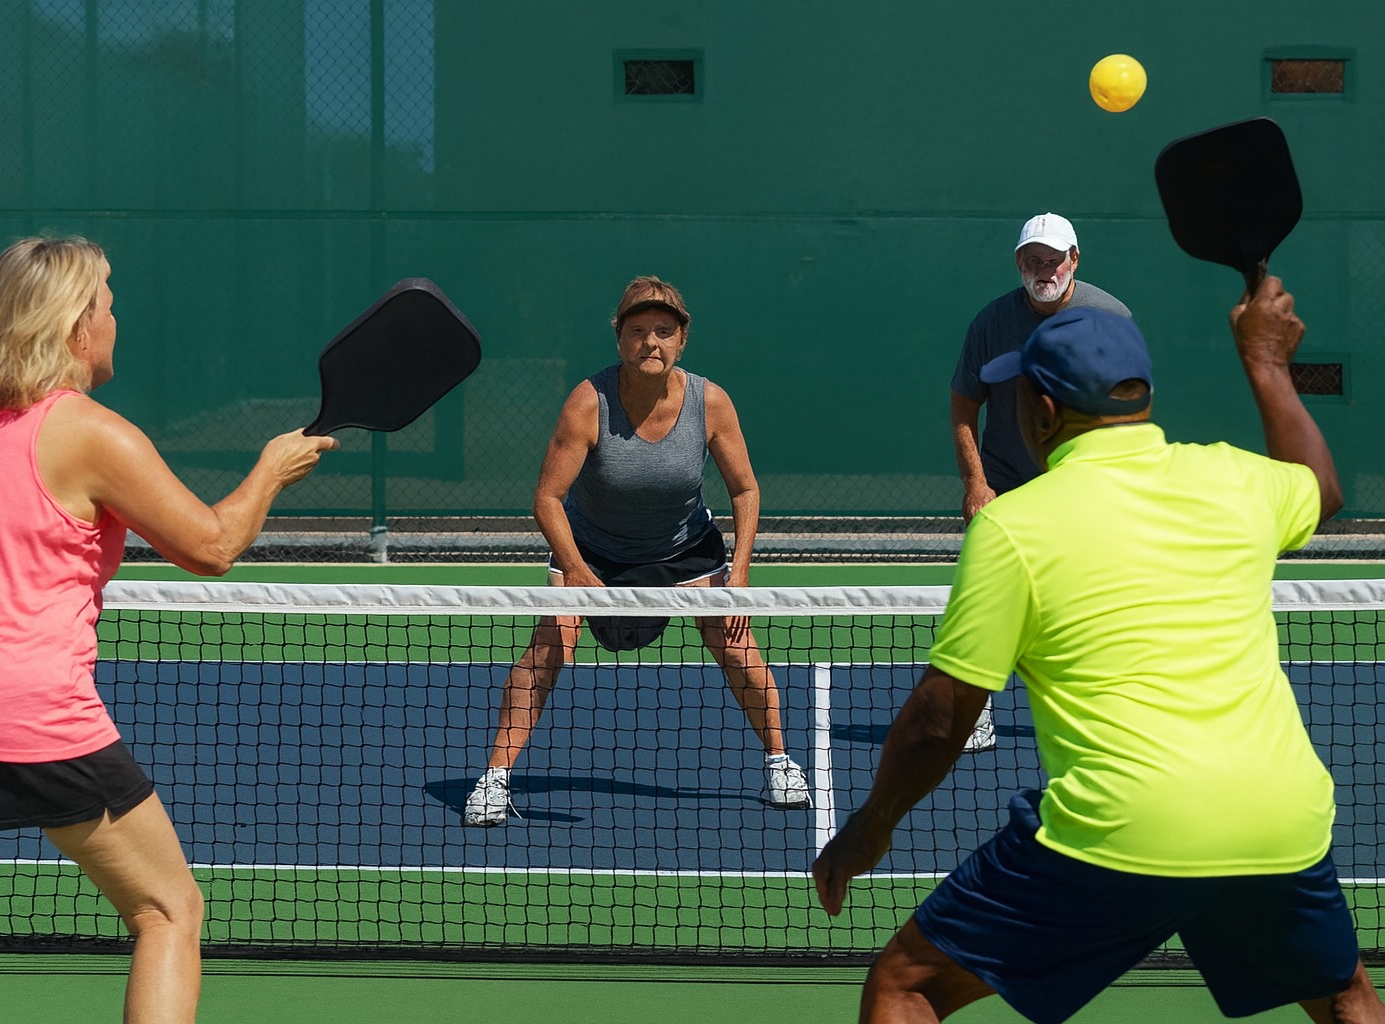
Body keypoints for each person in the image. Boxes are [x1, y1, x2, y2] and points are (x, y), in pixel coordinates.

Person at [812, 279, 1385, 1024]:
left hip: (1120, 827)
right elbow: (1322, 486)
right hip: (1276, 819)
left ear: (1043, 411)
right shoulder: (1238, 481)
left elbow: (939, 717)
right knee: (1344, 994)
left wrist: (871, 827)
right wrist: (1269, 366)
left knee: (906, 985)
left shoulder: (1013, 528)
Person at [0, 236, 336, 1024]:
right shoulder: (93, 432)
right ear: (75, 326)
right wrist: (270, 470)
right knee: (168, 911)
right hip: (29, 712)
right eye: (108, 303)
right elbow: (212, 547)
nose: (116, 318)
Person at [462, 275, 811, 827]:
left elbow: (745, 490)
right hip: (594, 549)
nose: (651, 342)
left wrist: (739, 572)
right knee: (549, 646)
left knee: (737, 644)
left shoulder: (709, 401)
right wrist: (575, 568)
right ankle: (494, 780)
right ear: (619, 338)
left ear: (681, 341)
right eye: (639, 331)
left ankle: (779, 762)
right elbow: (547, 498)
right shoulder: (588, 402)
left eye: (664, 332)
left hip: (684, 547)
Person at [948, 212, 1132, 753]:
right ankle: (976, 709)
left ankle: (1100, 706)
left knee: (1092, 601)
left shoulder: (1110, 317)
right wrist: (976, 483)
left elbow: (1129, 407)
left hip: (1083, 487)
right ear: (1018, 263)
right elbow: (964, 404)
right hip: (1007, 487)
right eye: (1033, 260)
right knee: (987, 600)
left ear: (1074, 259)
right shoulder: (991, 322)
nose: (1043, 269)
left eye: (1053, 259)